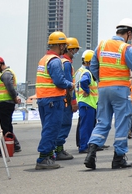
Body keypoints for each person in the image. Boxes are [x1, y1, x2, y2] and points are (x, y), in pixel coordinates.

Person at [84, 18, 132, 170]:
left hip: (103, 89)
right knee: (123, 121)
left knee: (102, 122)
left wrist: (103, 80)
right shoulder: (125, 48)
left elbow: (93, 67)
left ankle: (91, 152)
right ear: (128, 33)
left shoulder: (101, 45)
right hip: (120, 90)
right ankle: (118, 158)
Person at [35, 31, 74, 170]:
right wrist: (70, 85)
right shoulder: (55, 61)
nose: (64, 48)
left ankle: (48, 155)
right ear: (60, 45)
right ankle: (43, 158)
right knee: (52, 129)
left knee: (48, 128)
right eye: (63, 45)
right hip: (53, 99)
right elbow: (59, 81)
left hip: (43, 99)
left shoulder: (43, 59)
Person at [0, 56, 22, 157]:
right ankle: (12, 146)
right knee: (7, 126)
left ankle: (1, 150)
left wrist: (15, 97)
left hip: (4, 104)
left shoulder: (6, 73)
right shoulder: (2, 73)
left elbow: (9, 86)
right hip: (4, 103)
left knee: (4, 128)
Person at [55, 37, 79, 160]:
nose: (75, 53)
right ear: (69, 49)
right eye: (74, 50)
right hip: (66, 99)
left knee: (57, 124)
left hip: (58, 98)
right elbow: (69, 85)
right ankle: (59, 150)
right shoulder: (66, 63)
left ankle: (57, 150)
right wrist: (73, 102)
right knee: (64, 124)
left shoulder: (59, 61)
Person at [74, 50, 97, 154]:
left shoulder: (84, 72)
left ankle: (86, 145)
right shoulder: (87, 73)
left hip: (87, 103)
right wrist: (87, 91)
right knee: (86, 127)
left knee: (87, 126)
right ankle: (83, 146)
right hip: (87, 103)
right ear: (89, 62)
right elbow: (83, 82)